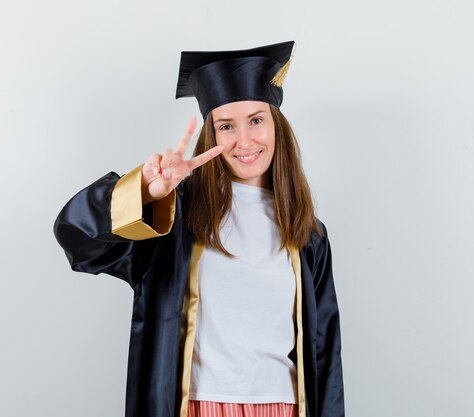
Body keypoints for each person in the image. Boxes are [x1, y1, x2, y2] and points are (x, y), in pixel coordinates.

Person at [54, 40, 345, 417]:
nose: (244, 141)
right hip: (194, 406)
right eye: (227, 126)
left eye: (256, 120)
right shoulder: (174, 214)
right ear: (211, 135)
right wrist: (145, 189)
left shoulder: (307, 234)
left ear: (277, 127)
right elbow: (78, 240)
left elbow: (324, 350)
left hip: (284, 406)